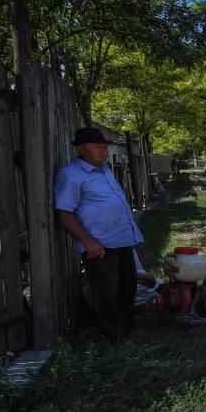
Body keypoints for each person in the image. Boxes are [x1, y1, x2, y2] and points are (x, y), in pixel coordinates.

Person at [55, 127, 144, 342]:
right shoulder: (70, 175)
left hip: (121, 239)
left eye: (105, 147)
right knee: (106, 292)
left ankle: (127, 327)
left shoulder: (104, 169)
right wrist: (88, 241)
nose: (104, 151)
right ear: (81, 149)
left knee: (128, 284)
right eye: (98, 147)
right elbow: (64, 213)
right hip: (99, 246)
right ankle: (116, 335)